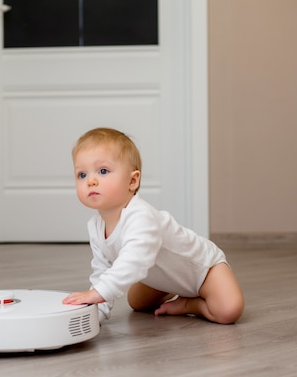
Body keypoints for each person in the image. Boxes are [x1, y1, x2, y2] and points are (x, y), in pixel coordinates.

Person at [62, 127, 244, 324]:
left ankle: (190, 304)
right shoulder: (96, 226)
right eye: (82, 175)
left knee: (228, 311)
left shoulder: (141, 217)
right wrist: (95, 314)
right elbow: (102, 271)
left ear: (132, 181)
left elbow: (134, 261)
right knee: (136, 302)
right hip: (160, 274)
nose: (91, 181)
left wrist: (99, 293)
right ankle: (171, 289)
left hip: (203, 270)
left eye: (103, 171)